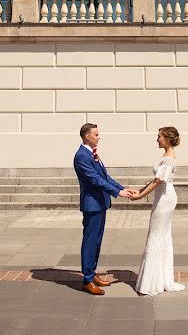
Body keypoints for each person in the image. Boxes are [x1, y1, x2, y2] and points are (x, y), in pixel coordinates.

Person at [73, 122, 138, 295]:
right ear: (87, 136)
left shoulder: (93, 154)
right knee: (90, 242)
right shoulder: (82, 156)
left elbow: (105, 177)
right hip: (91, 205)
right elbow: (95, 180)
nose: (99, 137)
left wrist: (122, 188)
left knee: (97, 241)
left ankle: (92, 274)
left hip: (100, 203)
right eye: (96, 134)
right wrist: (118, 192)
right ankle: (87, 280)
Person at [132, 126, 186, 296]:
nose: (157, 139)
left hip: (165, 199)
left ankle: (152, 282)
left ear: (168, 139)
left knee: (156, 235)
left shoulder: (169, 158)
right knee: (161, 235)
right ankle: (159, 278)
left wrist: (140, 195)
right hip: (161, 197)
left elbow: (158, 181)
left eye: (159, 136)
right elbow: (155, 180)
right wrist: (140, 190)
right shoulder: (165, 156)